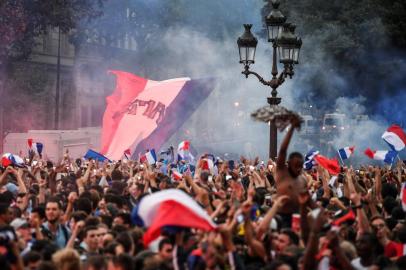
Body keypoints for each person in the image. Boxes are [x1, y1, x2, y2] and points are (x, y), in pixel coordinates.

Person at [275, 118, 307, 227]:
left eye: (301, 166)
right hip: (280, 217)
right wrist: (292, 128)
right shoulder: (282, 174)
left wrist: (321, 214)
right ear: (289, 164)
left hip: (297, 218)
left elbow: (309, 202)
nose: (299, 169)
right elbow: (283, 150)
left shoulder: (303, 180)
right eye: (296, 166)